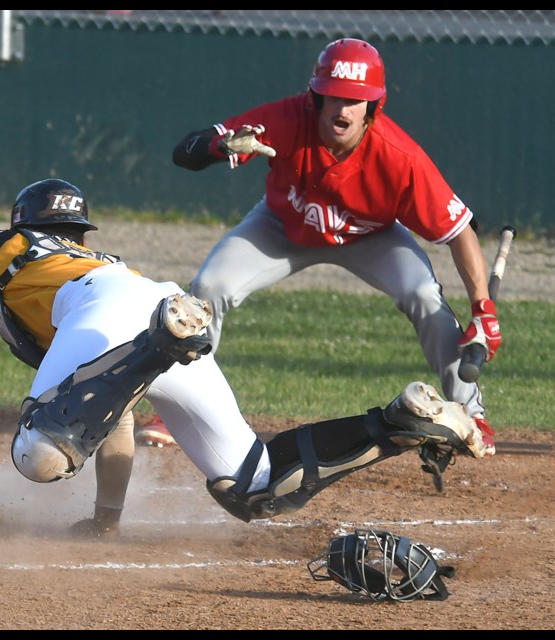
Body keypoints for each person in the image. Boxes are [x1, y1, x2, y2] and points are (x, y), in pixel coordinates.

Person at [0, 177, 490, 533]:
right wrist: (106, 520)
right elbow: (114, 414)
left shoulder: (2, 246)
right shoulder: (108, 261)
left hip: (116, 317)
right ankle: (397, 423)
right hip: (161, 303)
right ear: (79, 232)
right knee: (252, 487)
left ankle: (158, 345)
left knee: (39, 456)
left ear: (24, 222)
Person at [171, 37, 500, 459]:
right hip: (282, 228)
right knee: (209, 285)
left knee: (422, 294)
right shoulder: (287, 117)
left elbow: (459, 232)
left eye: (355, 100)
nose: (342, 109)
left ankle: (472, 414)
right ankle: (183, 404)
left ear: (374, 107)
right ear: (316, 97)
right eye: (333, 97)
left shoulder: (401, 157)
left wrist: (483, 310)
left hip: (371, 238)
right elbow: (186, 152)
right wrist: (219, 147)